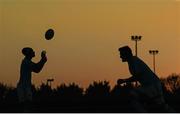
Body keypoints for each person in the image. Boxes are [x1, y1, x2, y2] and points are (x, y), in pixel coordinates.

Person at [117, 46, 174, 112]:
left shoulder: (133, 61)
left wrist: (124, 80)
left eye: (121, 54)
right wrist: (125, 80)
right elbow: (137, 76)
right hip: (147, 86)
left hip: (152, 85)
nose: (120, 56)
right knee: (133, 95)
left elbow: (138, 76)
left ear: (126, 54)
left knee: (162, 106)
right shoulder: (132, 61)